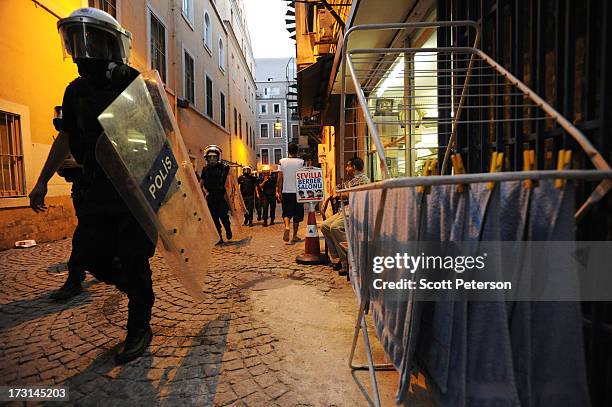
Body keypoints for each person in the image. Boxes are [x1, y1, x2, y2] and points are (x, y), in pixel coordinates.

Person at [29, 7, 155, 364]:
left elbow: (155, 134)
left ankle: (138, 326)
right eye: (74, 39)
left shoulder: (131, 81)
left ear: (109, 43)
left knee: (133, 257)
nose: (81, 48)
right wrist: (41, 180)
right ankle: (139, 292)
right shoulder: (75, 91)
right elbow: (66, 135)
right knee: (91, 256)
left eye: (90, 39)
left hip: (132, 189)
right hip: (97, 187)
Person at [320, 157, 370, 275]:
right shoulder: (352, 180)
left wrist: (340, 194)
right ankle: (337, 257)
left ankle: (347, 260)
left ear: (354, 167)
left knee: (335, 227)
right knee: (324, 226)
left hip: (355, 212)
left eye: (348, 166)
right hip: (345, 210)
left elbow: (351, 194)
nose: (346, 169)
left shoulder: (362, 180)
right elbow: (341, 191)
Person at [50, 155, 88, 300]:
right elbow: (61, 171)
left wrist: (79, 163)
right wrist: (63, 165)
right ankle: (75, 278)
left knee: (84, 235)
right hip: (81, 192)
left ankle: (75, 278)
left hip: (100, 190)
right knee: (84, 233)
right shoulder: (73, 138)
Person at [200, 145, 233, 244]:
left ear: (218, 157)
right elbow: (201, 183)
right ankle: (219, 237)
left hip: (221, 196)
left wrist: (229, 196)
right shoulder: (205, 169)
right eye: (210, 157)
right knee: (214, 218)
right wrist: (201, 194)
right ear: (207, 158)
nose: (212, 159)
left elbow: (229, 182)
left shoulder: (224, 168)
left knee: (223, 216)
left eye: (214, 156)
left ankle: (227, 228)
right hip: (211, 197)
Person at [276, 143, 304, 243]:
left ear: (288, 151)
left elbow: (279, 178)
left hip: (286, 192)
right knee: (297, 215)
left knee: (286, 213)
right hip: (298, 193)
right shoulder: (301, 162)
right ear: (297, 151)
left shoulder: (282, 162)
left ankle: (287, 226)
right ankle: (295, 236)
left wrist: (278, 191)